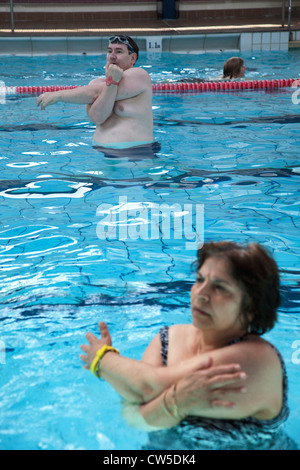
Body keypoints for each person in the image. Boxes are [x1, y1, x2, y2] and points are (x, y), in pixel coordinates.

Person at [80, 241, 293, 450]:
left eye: (219, 287)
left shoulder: (257, 360)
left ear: (251, 309)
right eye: (200, 279)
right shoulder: (167, 340)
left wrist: (103, 358)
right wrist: (176, 402)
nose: (201, 293)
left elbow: (146, 387)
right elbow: (132, 415)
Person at [36, 36, 154, 149]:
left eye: (118, 52)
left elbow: (95, 93)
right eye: (109, 51)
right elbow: (97, 117)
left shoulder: (140, 76)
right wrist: (111, 82)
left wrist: (58, 95)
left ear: (132, 58)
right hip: (104, 155)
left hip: (137, 154)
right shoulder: (95, 83)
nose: (112, 56)